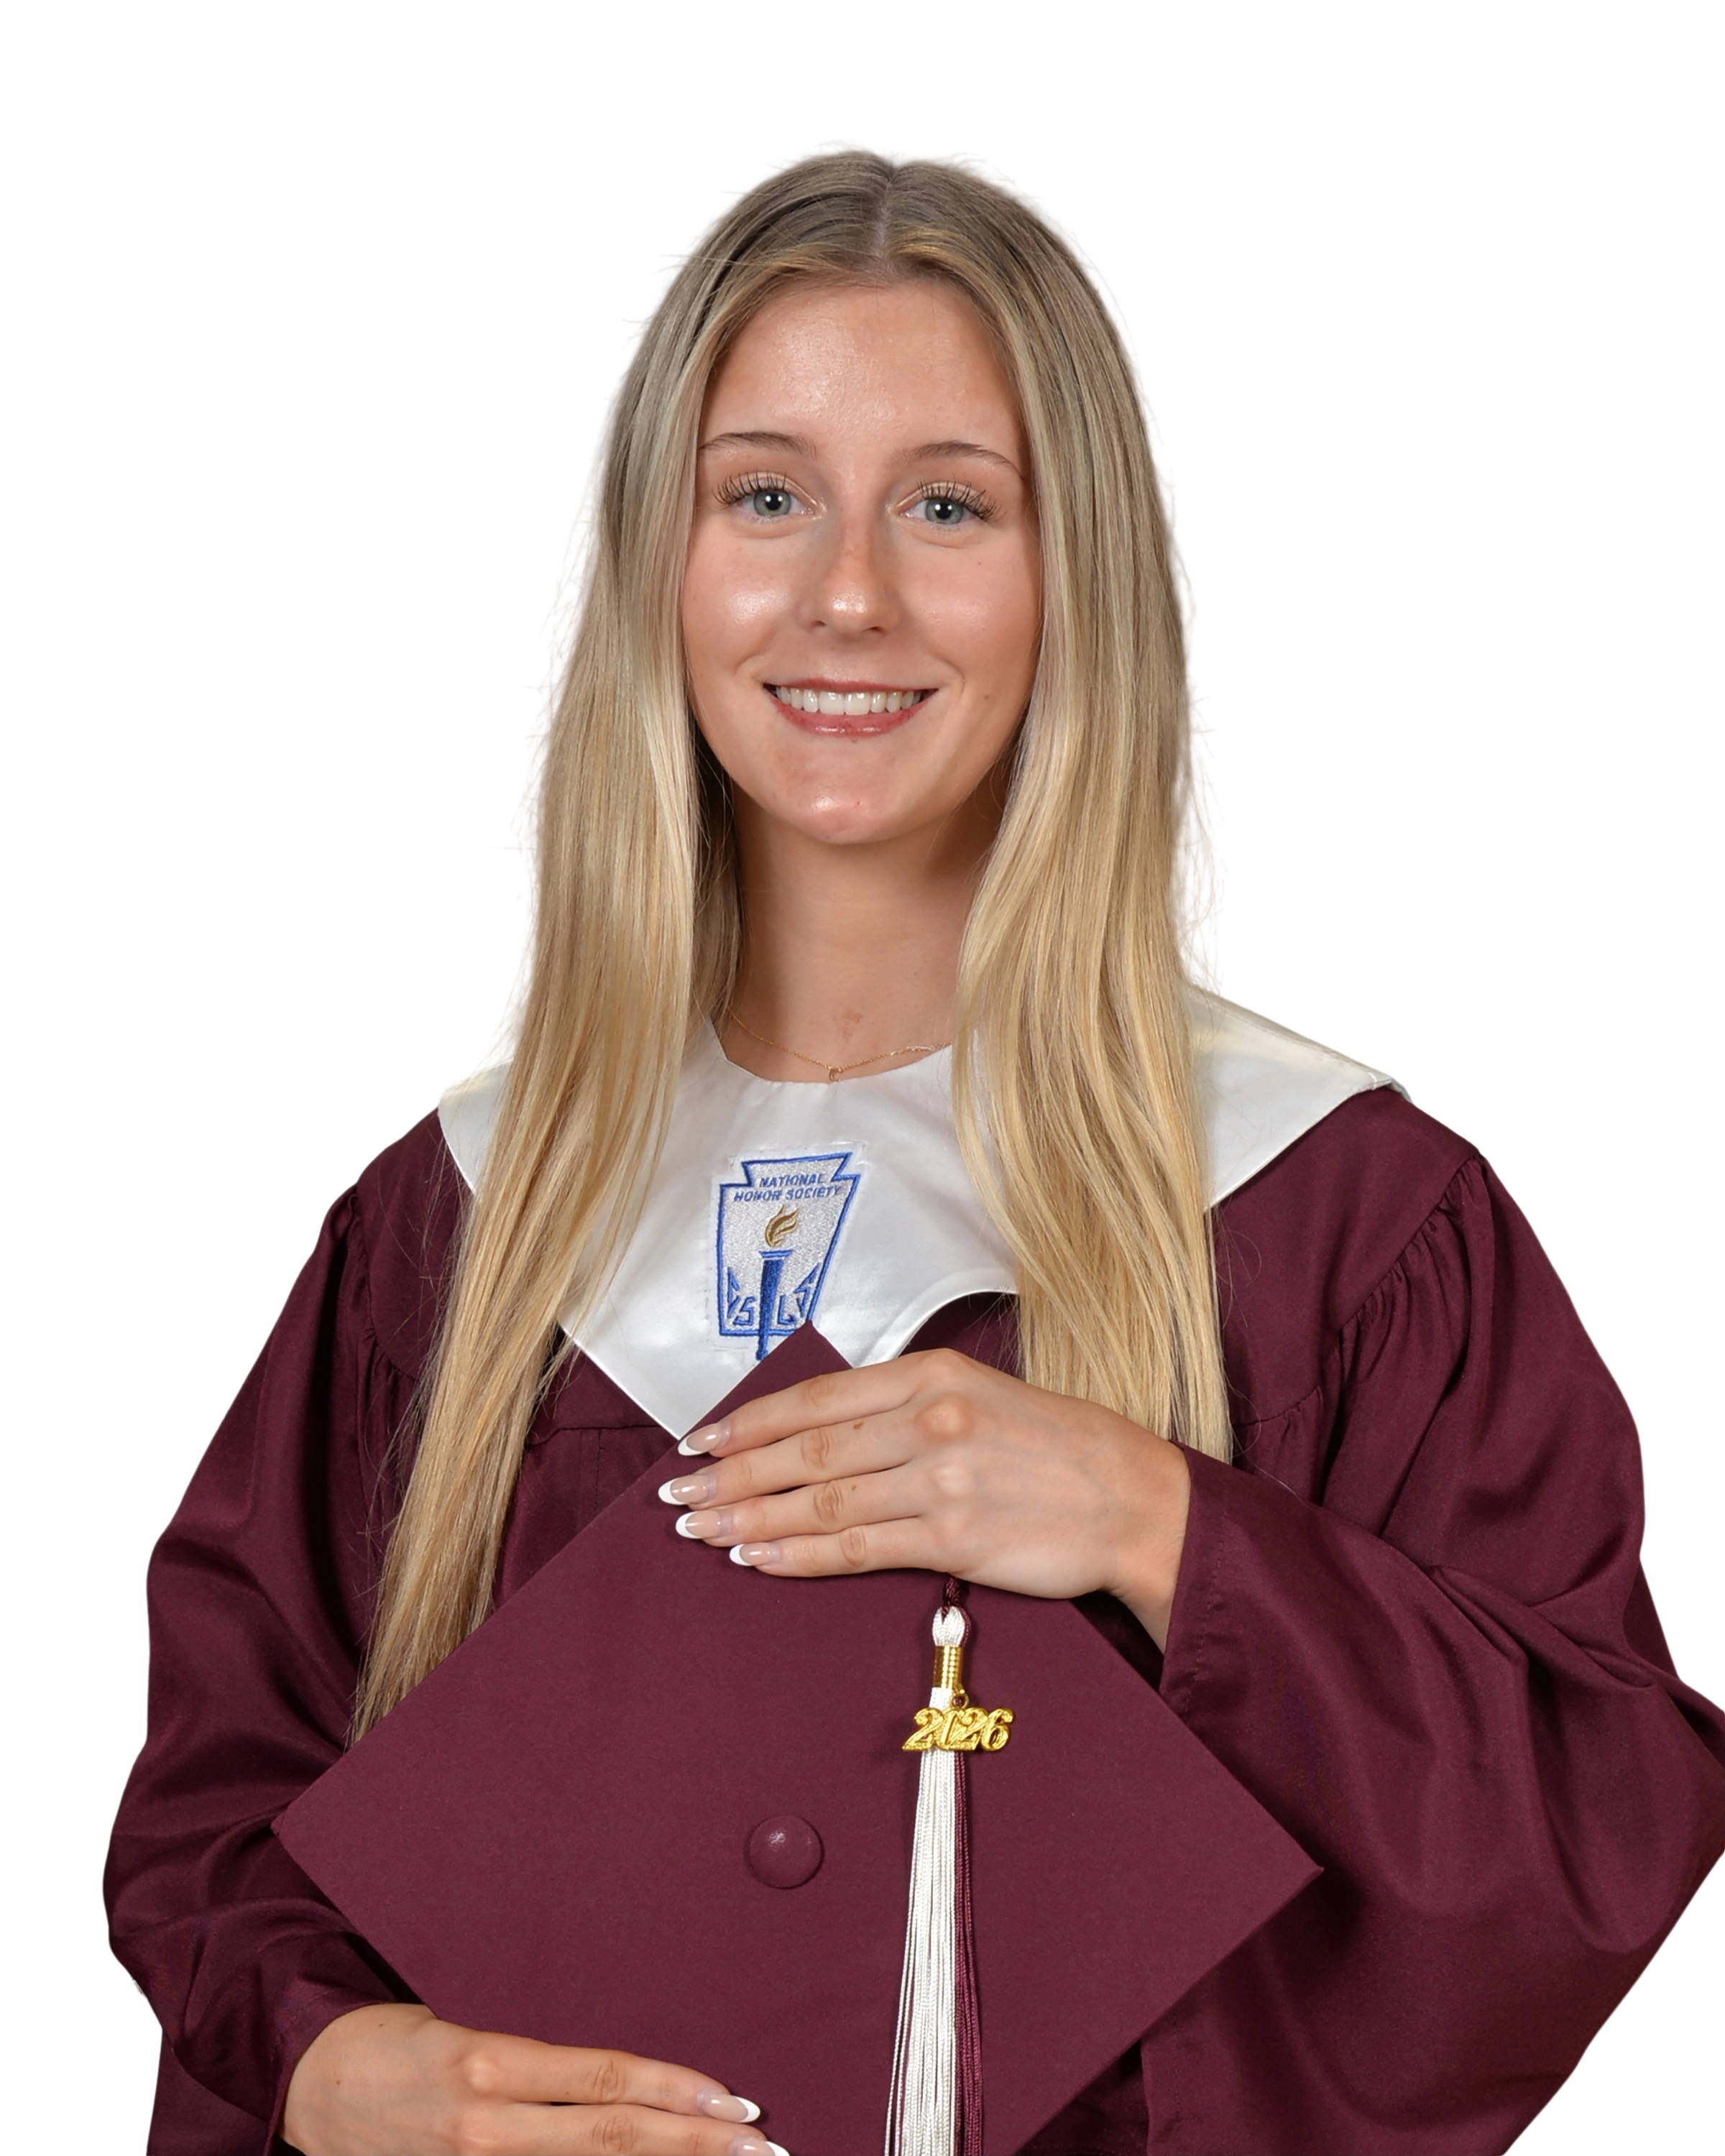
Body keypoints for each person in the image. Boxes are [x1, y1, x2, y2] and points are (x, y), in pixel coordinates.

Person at [102, 136, 1725, 2156]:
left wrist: (1167, 1530)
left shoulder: (1333, 1214)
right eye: (764, 495)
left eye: (949, 504)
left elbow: (1589, 1813)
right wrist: (329, 2065)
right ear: (658, 562)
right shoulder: (452, 1224)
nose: (847, 593)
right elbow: (217, 1812)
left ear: (1076, 576)